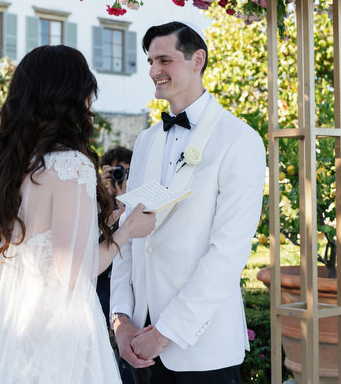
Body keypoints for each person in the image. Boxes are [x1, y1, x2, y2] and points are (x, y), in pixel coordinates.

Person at [0, 45, 156, 383]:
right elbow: (73, 271)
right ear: (71, 96)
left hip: (16, 338)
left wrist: (98, 232)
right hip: (61, 339)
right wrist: (127, 230)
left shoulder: (9, 168)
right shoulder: (70, 165)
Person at [110, 21, 266, 384]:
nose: (153, 71)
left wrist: (165, 332)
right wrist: (120, 320)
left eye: (164, 60)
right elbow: (129, 235)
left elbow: (228, 252)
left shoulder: (239, 140)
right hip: (139, 345)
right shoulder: (147, 140)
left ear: (198, 59)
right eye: (150, 61)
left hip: (201, 346)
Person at [99, 146, 135, 384]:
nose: (118, 178)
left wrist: (126, 198)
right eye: (113, 173)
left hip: (128, 302)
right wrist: (100, 192)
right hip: (98, 297)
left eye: (124, 172)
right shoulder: (90, 205)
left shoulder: (137, 203)